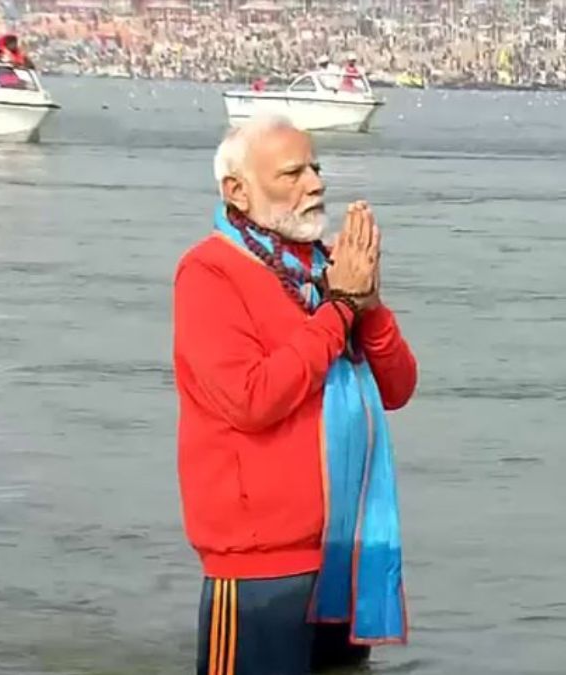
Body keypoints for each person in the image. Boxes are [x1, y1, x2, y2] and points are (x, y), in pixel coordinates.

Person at [172, 113, 418, 675]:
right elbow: (251, 399)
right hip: (259, 563)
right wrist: (339, 310)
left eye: (315, 168)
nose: (315, 184)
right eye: (292, 173)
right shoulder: (209, 273)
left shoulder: (324, 271)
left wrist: (369, 306)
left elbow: (398, 387)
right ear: (237, 191)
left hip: (343, 548)